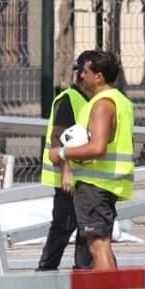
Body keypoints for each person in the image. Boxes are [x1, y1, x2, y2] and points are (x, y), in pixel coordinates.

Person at [47, 50, 134, 289]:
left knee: (99, 246)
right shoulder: (119, 101)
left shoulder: (102, 104)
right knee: (102, 245)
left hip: (95, 185)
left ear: (99, 76)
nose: (81, 76)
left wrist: (61, 152)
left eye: (85, 72)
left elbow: (97, 147)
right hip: (106, 183)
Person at [36, 51, 93, 271]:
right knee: (63, 226)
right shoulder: (69, 99)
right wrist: (66, 171)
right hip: (67, 178)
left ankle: (83, 273)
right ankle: (45, 272)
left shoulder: (90, 101)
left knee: (85, 229)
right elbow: (58, 137)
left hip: (82, 177)